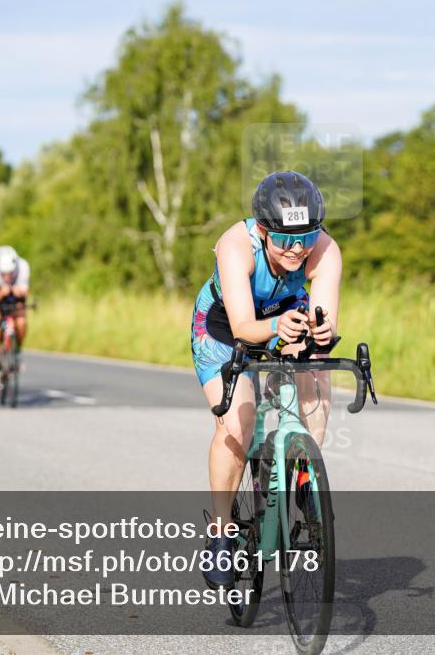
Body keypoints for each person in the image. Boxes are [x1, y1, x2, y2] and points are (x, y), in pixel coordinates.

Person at [190, 171, 342, 588]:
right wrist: (276, 326)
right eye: (285, 240)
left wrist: (321, 332)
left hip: (287, 319)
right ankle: (221, 534)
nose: (297, 250)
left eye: (307, 237)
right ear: (262, 229)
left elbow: (323, 316)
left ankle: (303, 476)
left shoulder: (325, 249)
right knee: (238, 424)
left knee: (315, 374)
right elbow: (243, 325)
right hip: (223, 330)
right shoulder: (236, 245)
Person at [0, 245, 30, 388]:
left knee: (21, 321)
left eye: (10, 273)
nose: (7, 276)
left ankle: (17, 352)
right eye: (4, 274)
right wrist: (4, 291)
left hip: (14, 295)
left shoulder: (23, 266)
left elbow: (24, 292)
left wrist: (14, 291)